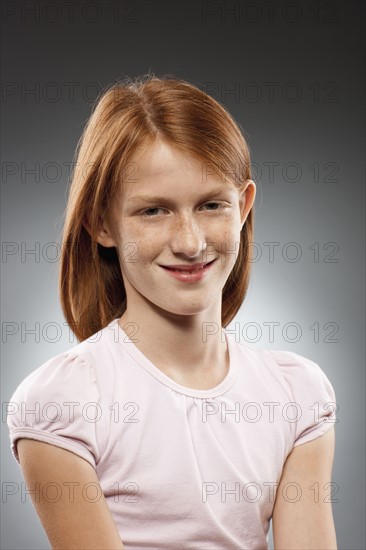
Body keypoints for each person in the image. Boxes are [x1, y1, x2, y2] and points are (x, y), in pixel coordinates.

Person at [7, 73, 338, 550]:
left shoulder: (297, 393)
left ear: (243, 208)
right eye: (153, 211)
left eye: (210, 205)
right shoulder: (65, 403)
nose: (190, 242)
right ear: (101, 223)